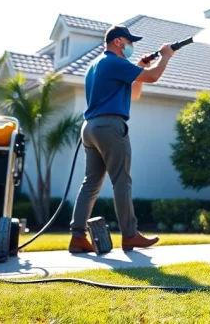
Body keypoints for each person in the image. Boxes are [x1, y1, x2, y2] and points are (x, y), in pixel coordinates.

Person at [68, 24, 176, 253]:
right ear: (118, 42)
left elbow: (134, 93)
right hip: (110, 126)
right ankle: (130, 235)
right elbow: (154, 77)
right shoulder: (115, 62)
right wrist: (165, 57)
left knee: (91, 184)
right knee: (121, 180)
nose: (132, 46)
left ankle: (77, 238)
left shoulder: (95, 65)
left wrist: (139, 66)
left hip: (90, 128)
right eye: (129, 42)